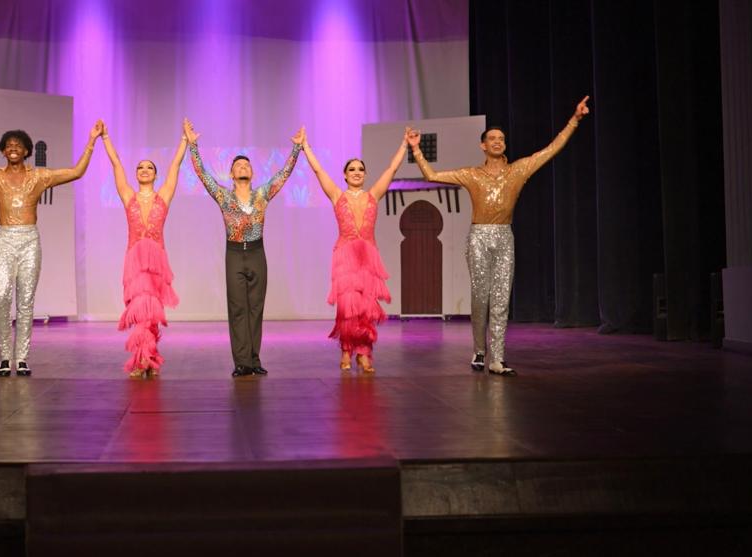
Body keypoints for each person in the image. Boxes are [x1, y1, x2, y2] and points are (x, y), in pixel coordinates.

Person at [407, 96, 591, 376]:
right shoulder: (471, 174)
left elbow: (551, 149)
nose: (497, 141)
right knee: (481, 297)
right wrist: (416, 149)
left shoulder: (518, 170)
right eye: (492, 138)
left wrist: (574, 120)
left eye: (501, 138)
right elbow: (432, 175)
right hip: (479, 236)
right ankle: (479, 350)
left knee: (502, 297)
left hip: (505, 237)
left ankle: (498, 358)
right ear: (483, 145)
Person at [0, 111, 103, 377]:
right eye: (9, 145)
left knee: (26, 302)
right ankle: (5, 357)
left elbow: (76, 172)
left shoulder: (38, 177)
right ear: (3, 151)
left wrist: (91, 141)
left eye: (18, 145)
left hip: (29, 240)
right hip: (5, 238)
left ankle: (23, 358)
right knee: (2, 298)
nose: (13, 147)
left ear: (27, 150)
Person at [184, 119, 303, 378]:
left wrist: (296, 149)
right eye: (238, 164)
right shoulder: (224, 196)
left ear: (252, 172)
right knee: (238, 308)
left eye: (247, 164)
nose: (243, 166)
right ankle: (241, 362)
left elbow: (284, 174)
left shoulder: (262, 194)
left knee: (256, 308)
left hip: (257, 253)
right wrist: (193, 146)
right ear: (231, 174)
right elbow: (203, 174)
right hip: (235, 254)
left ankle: (254, 358)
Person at [301, 128, 409, 373]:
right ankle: (346, 350)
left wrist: (404, 144)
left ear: (366, 174)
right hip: (346, 256)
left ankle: (365, 354)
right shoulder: (337, 195)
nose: (357, 173)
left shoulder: (374, 194)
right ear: (345, 175)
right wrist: (305, 146)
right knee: (348, 308)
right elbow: (318, 171)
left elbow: (391, 170)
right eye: (352, 169)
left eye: (361, 169)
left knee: (366, 309)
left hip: (369, 257)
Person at [101, 123, 187, 378]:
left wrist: (184, 139)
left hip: (157, 261)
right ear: (136, 174)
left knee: (151, 313)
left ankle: (150, 357)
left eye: (150, 167)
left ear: (155, 175)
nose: (145, 170)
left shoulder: (164, 196)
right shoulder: (128, 195)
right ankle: (142, 361)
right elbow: (116, 164)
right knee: (140, 310)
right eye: (140, 167)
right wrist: (105, 137)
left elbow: (175, 167)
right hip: (135, 260)